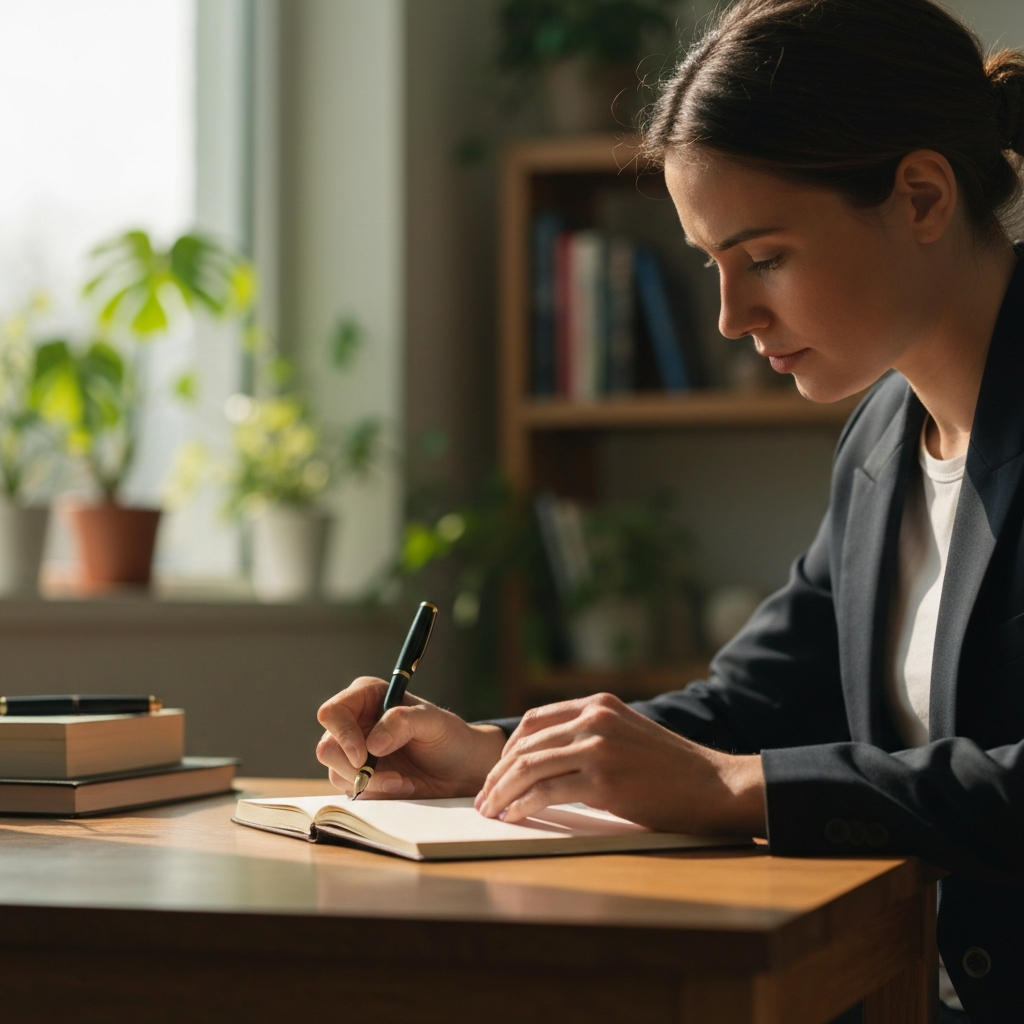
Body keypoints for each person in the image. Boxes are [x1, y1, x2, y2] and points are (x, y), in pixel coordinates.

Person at [316, 2, 1024, 1020]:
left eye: (765, 256)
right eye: (712, 266)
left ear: (919, 195)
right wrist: (492, 749)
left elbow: (735, 767)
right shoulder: (881, 444)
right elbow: (745, 707)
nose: (733, 317)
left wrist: (743, 790)